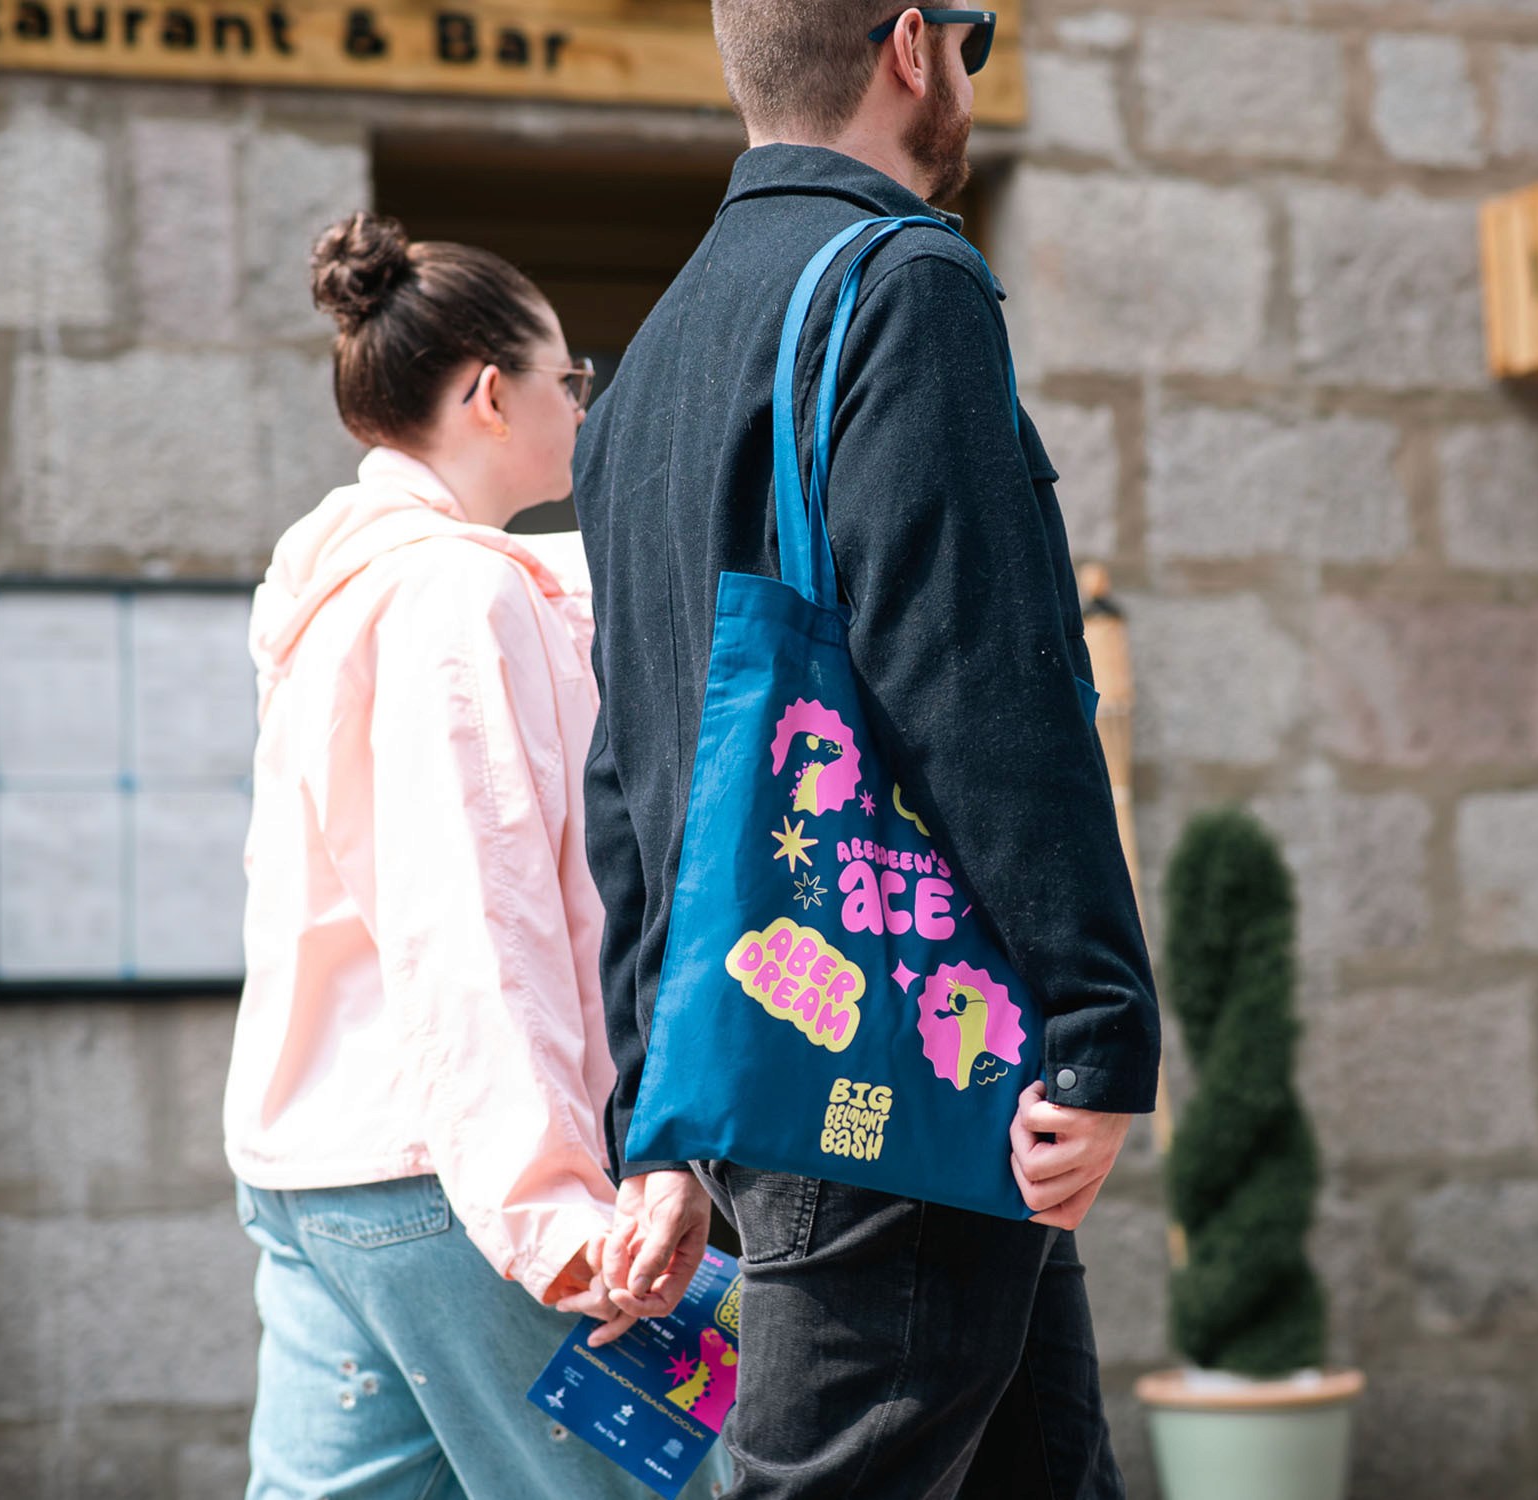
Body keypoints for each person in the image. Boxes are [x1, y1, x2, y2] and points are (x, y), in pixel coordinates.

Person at [573, 5, 1162, 1497]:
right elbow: (985, 677)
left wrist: (656, 1107)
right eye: (972, 34)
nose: (971, 64)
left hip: (784, 1054)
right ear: (911, 43)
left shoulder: (644, 367)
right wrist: (1100, 1016)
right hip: (907, 1067)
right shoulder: (904, 283)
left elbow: (629, 763)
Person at [224, 211, 727, 1500]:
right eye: (574, 378)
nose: (583, 404)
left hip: (314, 1175)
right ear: (493, 394)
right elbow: (472, 918)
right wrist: (556, 1213)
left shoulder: (337, 591)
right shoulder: (458, 596)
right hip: (447, 1185)